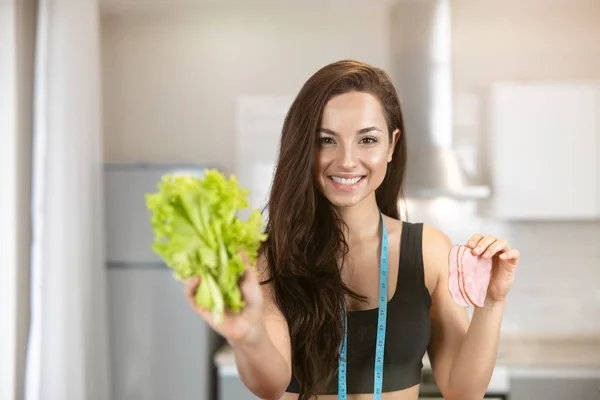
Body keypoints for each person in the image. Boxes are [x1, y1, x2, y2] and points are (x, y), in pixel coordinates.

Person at [184, 59, 520, 400]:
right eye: (326, 140)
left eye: (367, 140)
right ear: (303, 147)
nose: (346, 160)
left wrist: (492, 302)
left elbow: (463, 391)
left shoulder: (429, 251)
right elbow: (271, 385)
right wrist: (249, 336)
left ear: (392, 145)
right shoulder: (273, 255)